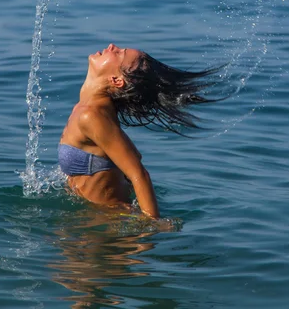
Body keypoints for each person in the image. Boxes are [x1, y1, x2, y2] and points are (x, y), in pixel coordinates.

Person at [59, 43, 223, 219]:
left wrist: (150, 226)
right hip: (94, 218)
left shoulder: (91, 116)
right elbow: (133, 155)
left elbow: (139, 173)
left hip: (109, 222)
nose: (112, 46)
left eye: (120, 53)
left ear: (116, 80)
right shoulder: (93, 108)